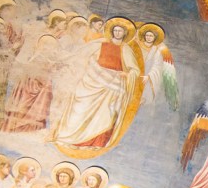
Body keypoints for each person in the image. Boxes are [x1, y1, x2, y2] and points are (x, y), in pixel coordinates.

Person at [51, 17, 143, 153]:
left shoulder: (126, 50)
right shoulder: (100, 44)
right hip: (92, 81)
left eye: (120, 31)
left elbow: (135, 69)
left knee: (106, 115)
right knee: (80, 109)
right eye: (115, 30)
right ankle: (70, 138)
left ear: (124, 34)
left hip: (112, 88)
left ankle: (96, 142)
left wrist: (127, 74)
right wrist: (92, 67)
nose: (117, 33)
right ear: (111, 32)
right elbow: (84, 56)